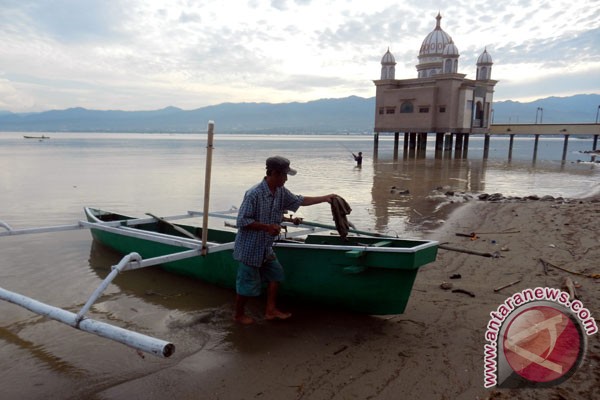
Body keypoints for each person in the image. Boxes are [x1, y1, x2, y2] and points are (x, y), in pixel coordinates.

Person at [233, 156, 335, 325]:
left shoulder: (280, 191)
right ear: (273, 173)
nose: (286, 179)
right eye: (283, 175)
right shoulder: (254, 194)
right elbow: (242, 221)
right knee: (246, 284)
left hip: (266, 247)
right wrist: (267, 227)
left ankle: (270, 310)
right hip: (250, 247)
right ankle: (238, 315)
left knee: (276, 275)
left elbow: (299, 200)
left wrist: (325, 198)